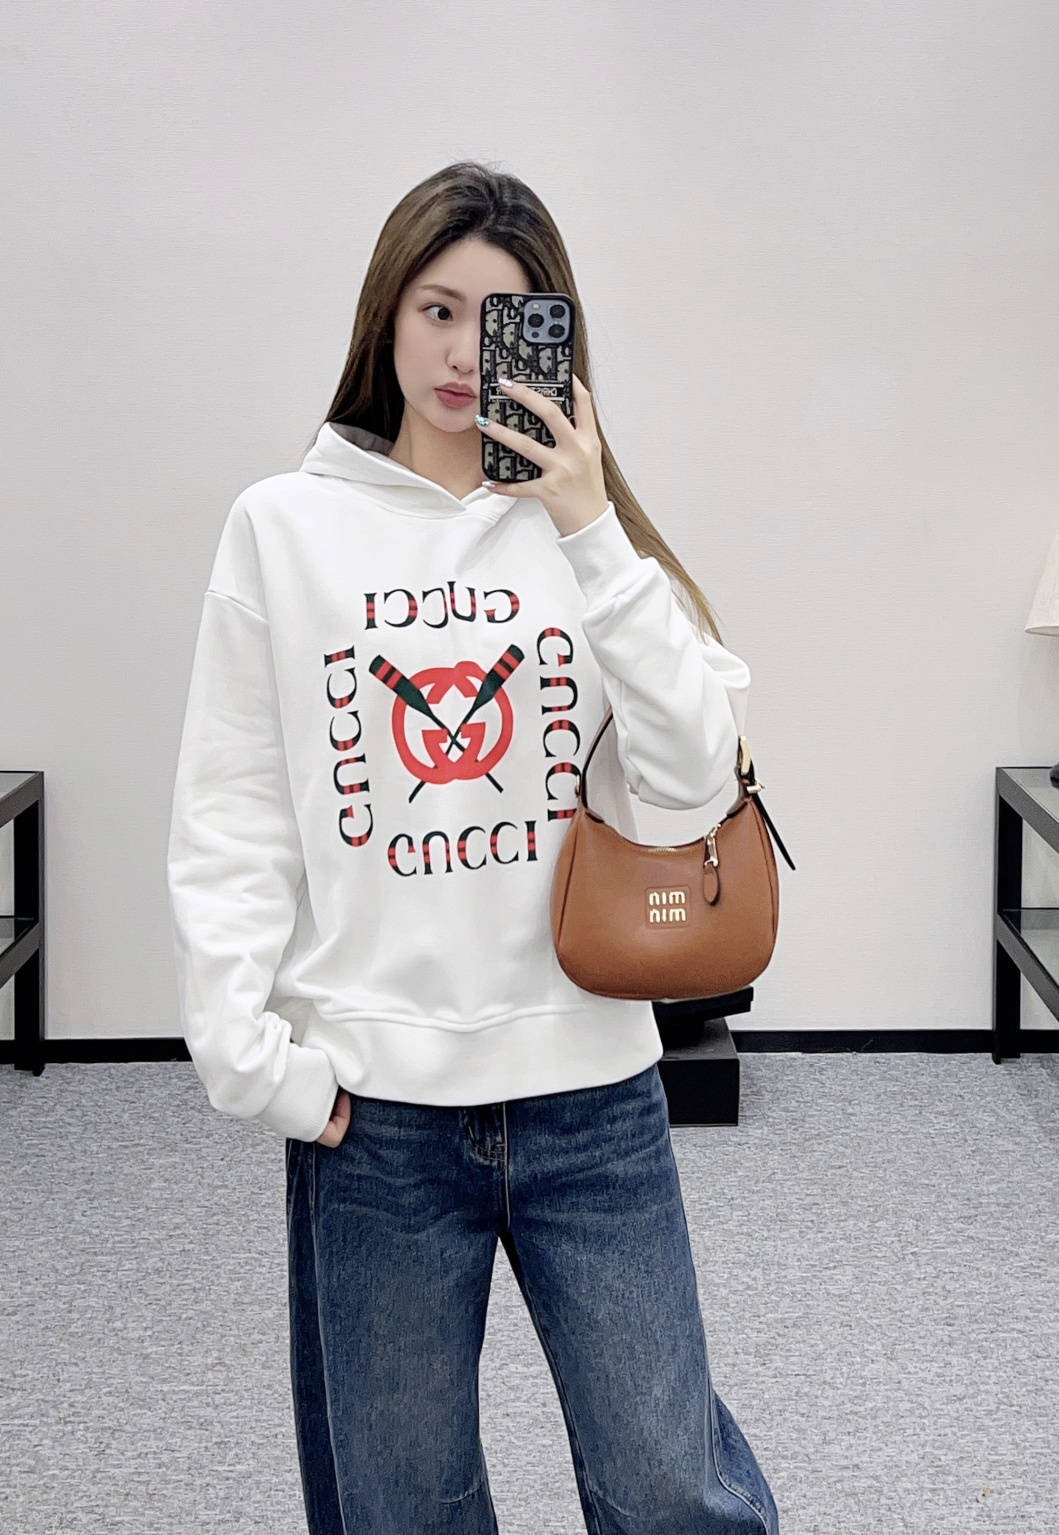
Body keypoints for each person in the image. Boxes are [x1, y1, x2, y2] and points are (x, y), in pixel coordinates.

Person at [167, 162, 779, 1535]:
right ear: (385, 318)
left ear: (552, 341)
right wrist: (247, 1056)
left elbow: (691, 789)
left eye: (501, 320)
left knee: (672, 1489)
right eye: (436, 310)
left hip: (592, 1095)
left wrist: (591, 528)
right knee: (404, 1506)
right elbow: (233, 809)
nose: (462, 353)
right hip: (375, 1112)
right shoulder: (284, 527)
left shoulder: (589, 541)